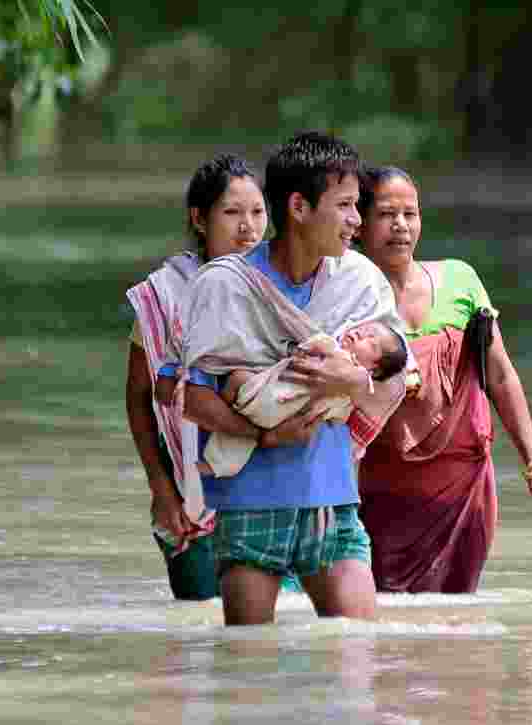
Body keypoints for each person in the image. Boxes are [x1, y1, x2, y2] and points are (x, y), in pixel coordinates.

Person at [174, 132, 408, 625]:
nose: (357, 221)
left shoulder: (361, 282)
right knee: (248, 672)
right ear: (299, 207)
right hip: (251, 504)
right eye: (344, 205)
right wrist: (263, 433)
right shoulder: (224, 285)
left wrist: (350, 379)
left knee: (357, 658)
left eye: (357, 206)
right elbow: (184, 396)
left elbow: (397, 377)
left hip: (333, 498)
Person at [355, 166, 532, 594]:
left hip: (461, 491)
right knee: (381, 621)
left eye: (410, 214)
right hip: (379, 494)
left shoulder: (459, 280)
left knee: (456, 622)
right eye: (386, 214)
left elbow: (500, 376)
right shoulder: (346, 297)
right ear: (358, 223)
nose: (400, 226)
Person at [124, 153, 267, 600]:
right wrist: (162, 490)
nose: (248, 227)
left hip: (271, 495)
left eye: (258, 212)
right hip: (188, 504)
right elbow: (138, 397)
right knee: (204, 639)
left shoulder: (280, 287)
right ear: (199, 219)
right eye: (232, 213)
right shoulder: (165, 295)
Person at [156, 320, 406, 478]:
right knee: (240, 444)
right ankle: (212, 466)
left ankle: (212, 448)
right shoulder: (352, 391)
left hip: (270, 399)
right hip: (280, 417)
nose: (362, 335)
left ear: (373, 370)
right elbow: (337, 416)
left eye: (372, 344)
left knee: (236, 383)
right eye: (363, 330)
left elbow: (314, 344)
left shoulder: (340, 358)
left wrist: (306, 349)